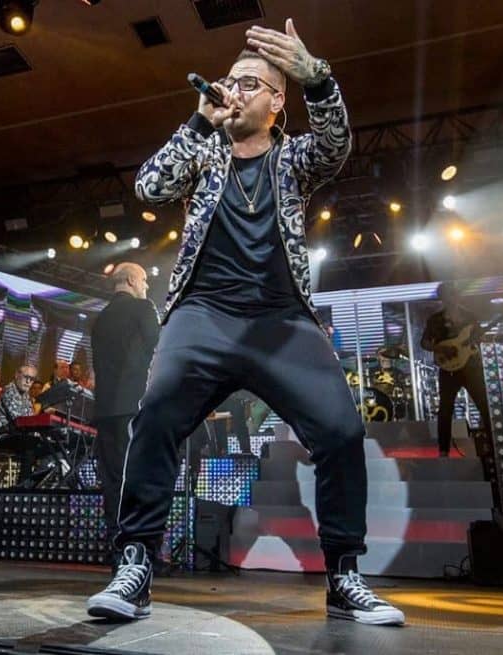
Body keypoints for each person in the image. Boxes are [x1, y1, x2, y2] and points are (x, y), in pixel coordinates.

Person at [86, 19, 404, 626]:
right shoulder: (204, 153)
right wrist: (197, 121)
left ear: (277, 102)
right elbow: (149, 186)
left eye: (249, 83)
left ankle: (344, 575)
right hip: (203, 316)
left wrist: (319, 79)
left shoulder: (293, 158)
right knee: (155, 416)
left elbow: (336, 146)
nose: (234, 90)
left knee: (341, 431)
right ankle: (134, 565)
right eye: (229, 81)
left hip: (282, 322)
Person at [90, 263, 160, 547]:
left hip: (104, 410)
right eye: (144, 280)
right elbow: (161, 349)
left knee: (112, 480)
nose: (146, 286)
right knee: (139, 477)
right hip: (134, 407)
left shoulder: (100, 318)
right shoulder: (144, 309)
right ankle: (139, 549)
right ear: (131, 280)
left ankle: (116, 545)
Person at [420, 282, 491, 458]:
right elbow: (424, 342)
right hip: (449, 369)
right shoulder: (435, 320)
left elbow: (480, 337)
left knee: (484, 405)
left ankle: (493, 443)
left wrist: (478, 340)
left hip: (471, 366)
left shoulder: (470, 316)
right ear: (442, 298)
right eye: (447, 295)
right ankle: (443, 450)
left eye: (453, 294)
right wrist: (440, 348)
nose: (451, 298)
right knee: (445, 409)